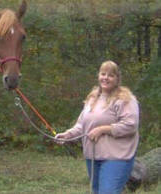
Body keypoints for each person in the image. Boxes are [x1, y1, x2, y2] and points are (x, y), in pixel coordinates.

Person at [55, 60, 139, 194]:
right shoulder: (92, 98)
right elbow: (82, 125)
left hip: (116, 158)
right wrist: (67, 135)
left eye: (110, 75)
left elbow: (131, 125)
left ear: (117, 79)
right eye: (103, 74)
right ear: (98, 76)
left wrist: (103, 129)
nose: (105, 78)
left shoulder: (125, 99)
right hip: (93, 156)